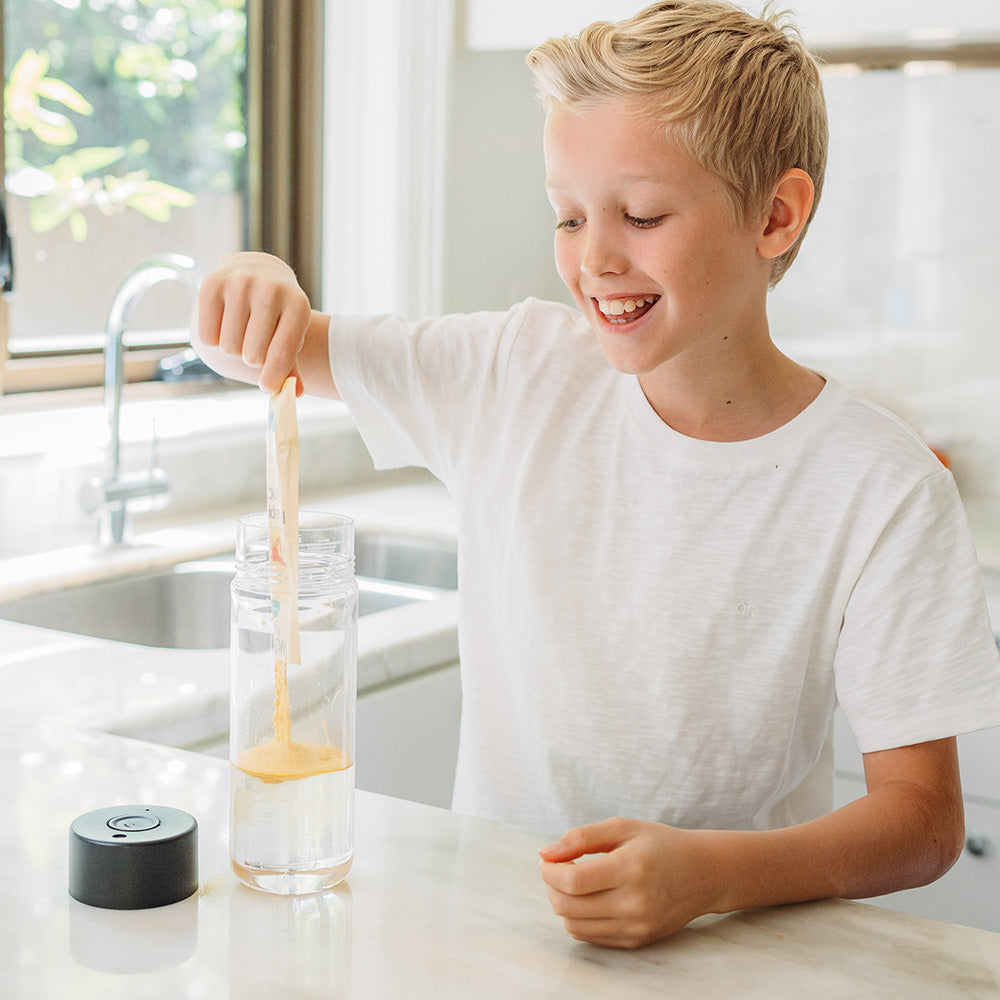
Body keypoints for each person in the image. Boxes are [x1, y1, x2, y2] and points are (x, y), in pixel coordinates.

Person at [193, 0, 1000, 949]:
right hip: (493, 939)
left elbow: (923, 822)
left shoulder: (879, 485)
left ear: (775, 216)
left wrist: (709, 875)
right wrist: (254, 273)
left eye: (642, 214)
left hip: (735, 952)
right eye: (568, 216)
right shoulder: (511, 373)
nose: (596, 257)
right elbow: (261, 350)